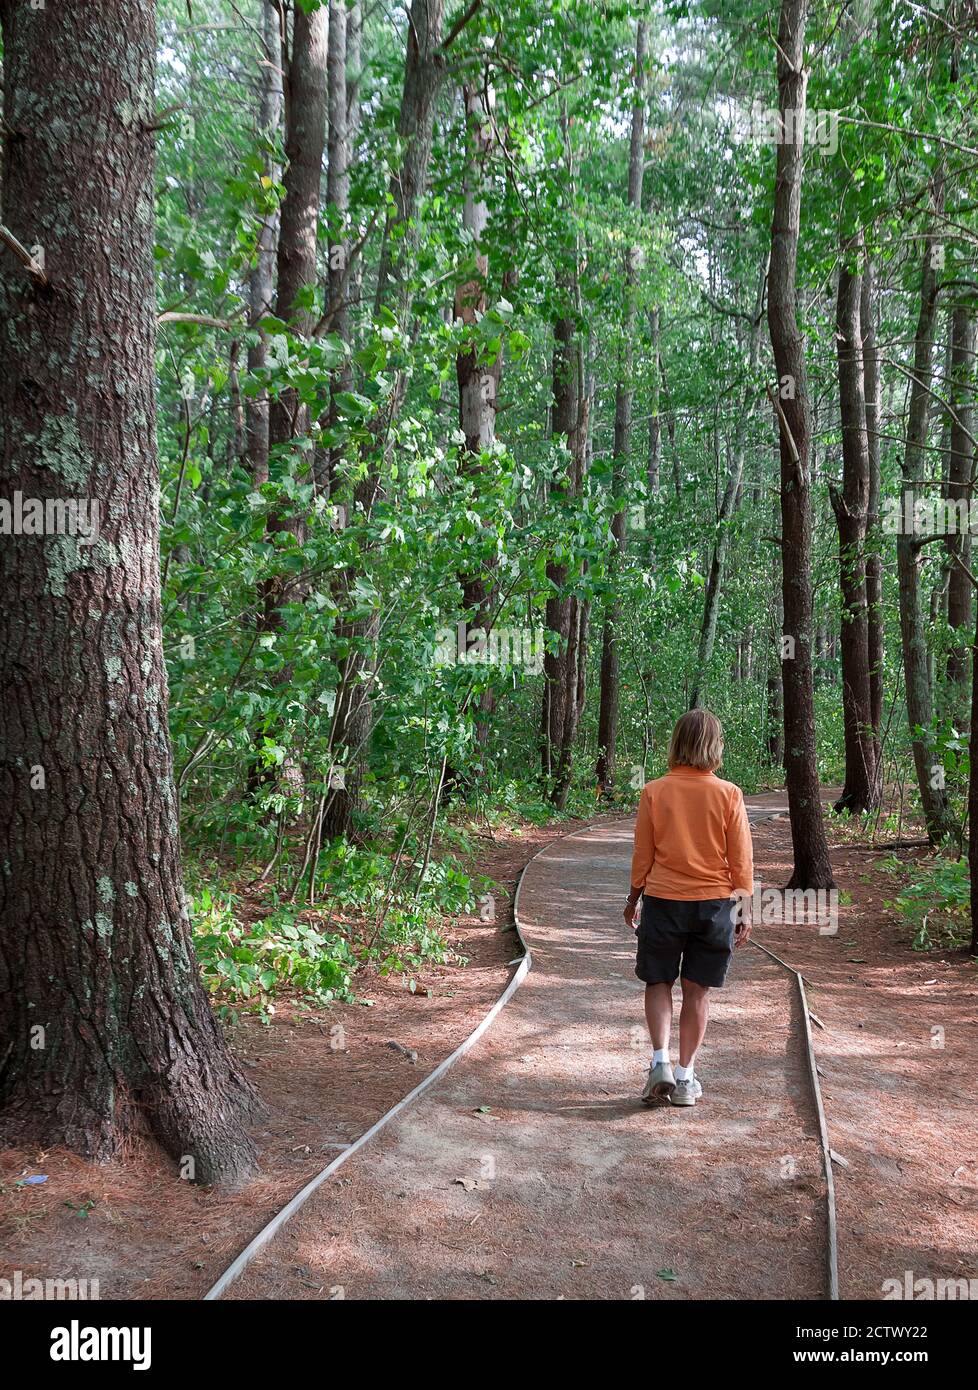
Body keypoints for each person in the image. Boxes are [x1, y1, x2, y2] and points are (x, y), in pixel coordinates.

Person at [624, 709, 753, 1107]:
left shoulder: (654, 791)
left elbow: (643, 853)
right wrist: (744, 907)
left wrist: (633, 899)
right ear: (715, 746)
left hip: (663, 901)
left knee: (658, 981)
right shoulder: (729, 794)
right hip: (713, 906)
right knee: (697, 992)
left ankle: (659, 1061)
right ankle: (685, 1078)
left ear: (676, 743)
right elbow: (741, 859)